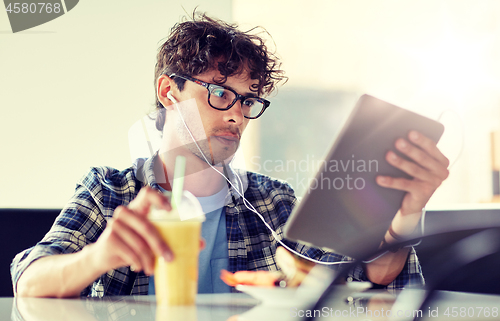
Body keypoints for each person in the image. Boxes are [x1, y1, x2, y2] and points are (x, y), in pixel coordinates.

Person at [11, 13, 449, 298]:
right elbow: (29, 279)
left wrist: (404, 217)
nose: (237, 115)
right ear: (169, 91)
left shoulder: (271, 203)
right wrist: (99, 255)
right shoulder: (109, 192)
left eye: (248, 101)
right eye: (221, 93)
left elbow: (366, 288)